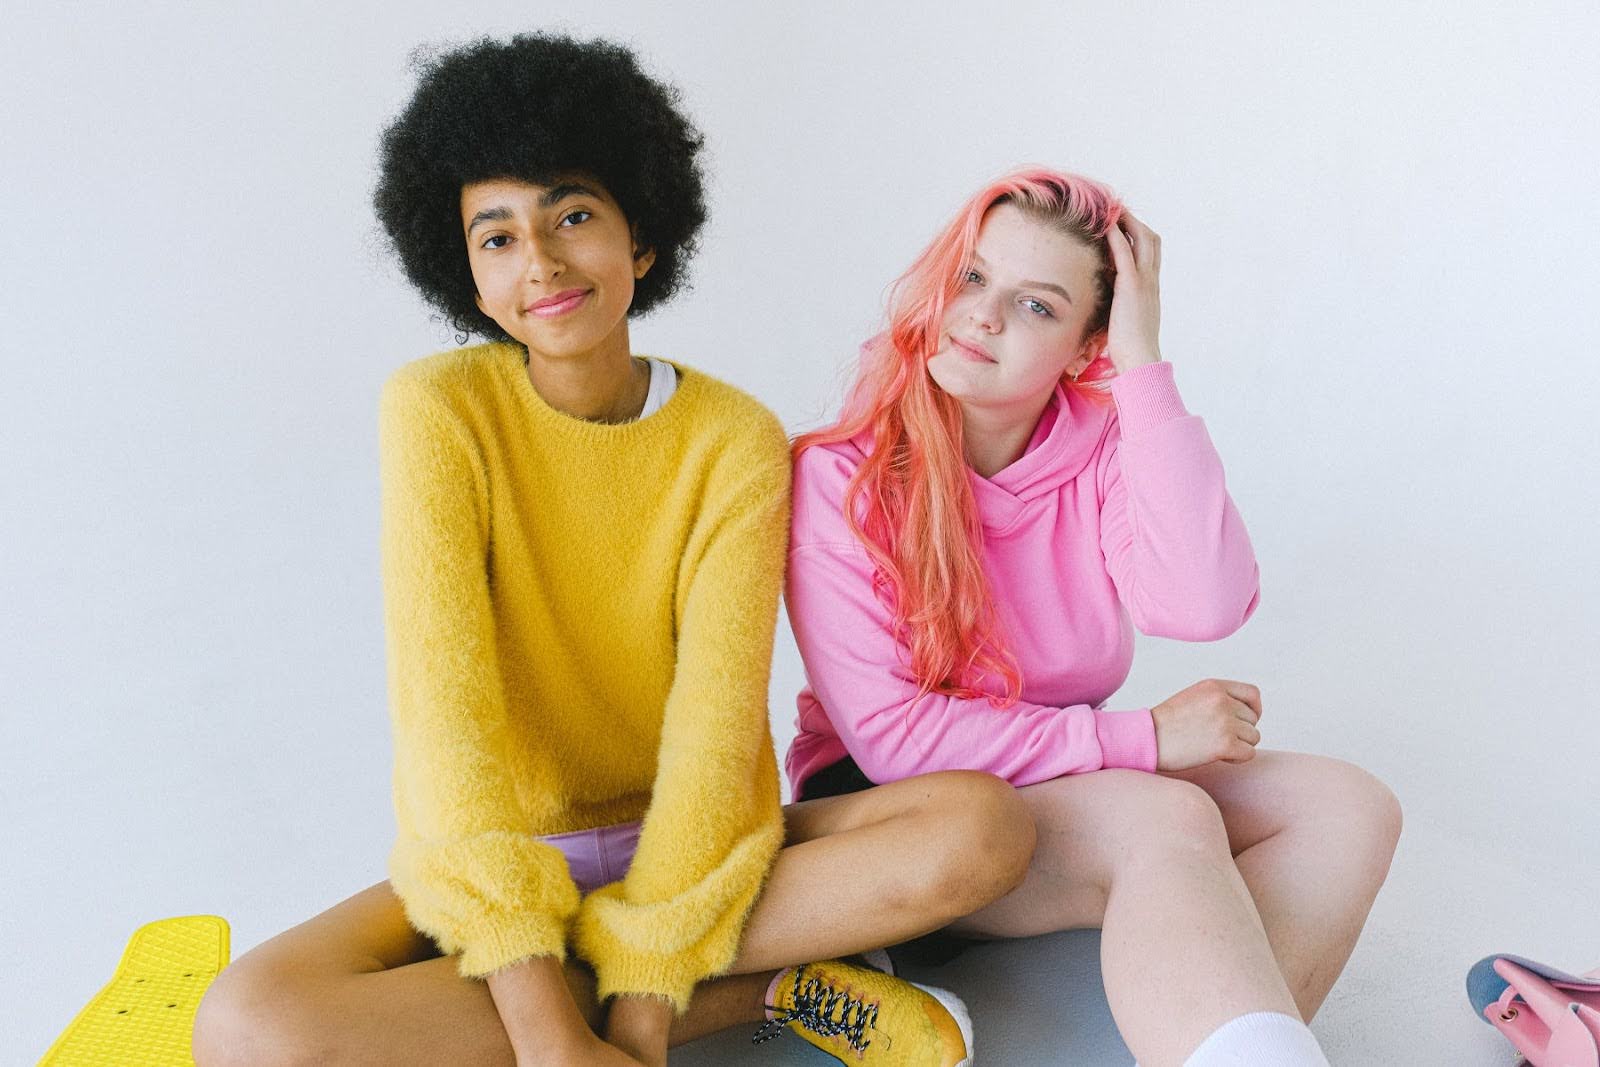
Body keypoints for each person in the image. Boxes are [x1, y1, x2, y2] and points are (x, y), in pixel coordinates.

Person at [191, 34, 1033, 1067]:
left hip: (701, 854)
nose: (540, 261)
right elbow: (445, 729)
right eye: (497, 237)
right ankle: (772, 985)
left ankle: (669, 976)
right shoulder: (435, 410)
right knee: (246, 1026)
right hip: (506, 861)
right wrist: (550, 1038)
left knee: (981, 827)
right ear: (467, 277)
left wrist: (637, 1017)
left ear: (641, 239)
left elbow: (716, 733)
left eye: (573, 216)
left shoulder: (732, 437)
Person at [784, 167, 1403, 1067]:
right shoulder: (840, 475)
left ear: (1086, 346)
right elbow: (895, 741)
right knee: (1159, 815)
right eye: (971, 277)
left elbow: (1203, 603)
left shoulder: (1105, 441)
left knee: (1348, 807)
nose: (982, 316)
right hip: (896, 821)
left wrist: (1143, 362)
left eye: (1036, 305)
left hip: (1058, 780)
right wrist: (1142, 738)